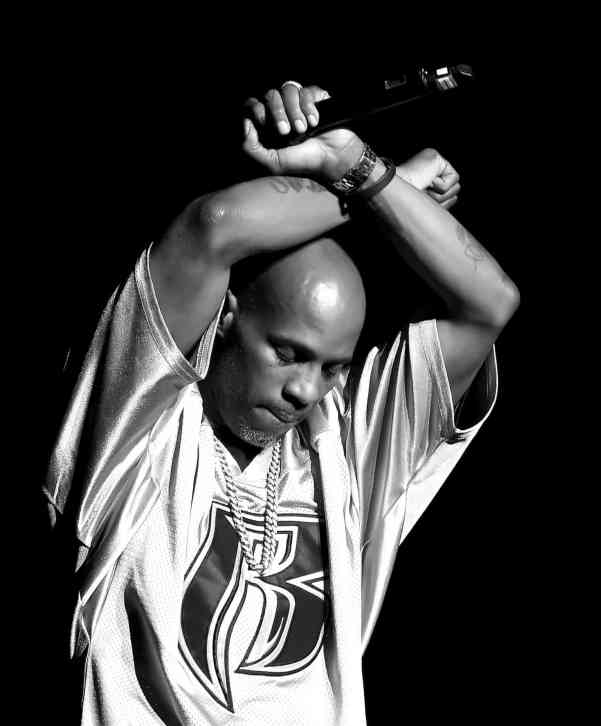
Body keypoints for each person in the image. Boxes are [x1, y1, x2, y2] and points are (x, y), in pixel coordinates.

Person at [45, 80, 518, 725]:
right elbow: (214, 228)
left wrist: (353, 163)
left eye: (333, 368)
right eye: (288, 353)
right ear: (229, 316)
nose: (306, 391)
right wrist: (383, 181)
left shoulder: (346, 447)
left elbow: (489, 305)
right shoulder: (136, 428)